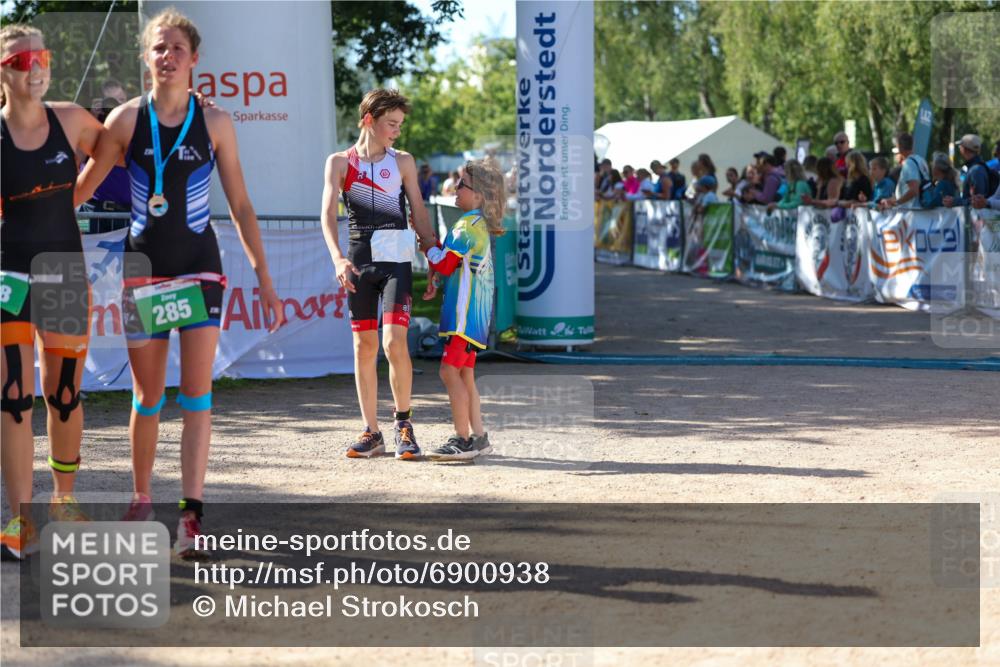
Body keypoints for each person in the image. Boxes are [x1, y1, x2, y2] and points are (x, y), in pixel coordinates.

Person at [76, 8, 285, 559]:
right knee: (147, 397)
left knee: (197, 396)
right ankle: (142, 497)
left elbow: (240, 204)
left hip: (199, 268)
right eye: (158, 49)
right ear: (146, 58)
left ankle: (191, 516)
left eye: (176, 49)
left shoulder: (215, 122)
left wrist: (265, 279)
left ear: (194, 60)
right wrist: (29, 228)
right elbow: (81, 188)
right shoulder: (124, 120)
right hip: (143, 272)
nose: (166, 57)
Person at [1, 24, 108, 559]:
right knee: (13, 397)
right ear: (3, 72)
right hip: (8, 274)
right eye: (22, 61)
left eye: (40, 56)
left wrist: (77, 195)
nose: (35, 67)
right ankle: (21, 522)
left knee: (63, 393)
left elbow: (113, 145)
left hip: (65, 269)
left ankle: (64, 502)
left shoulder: (69, 119)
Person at [319, 88, 438, 461]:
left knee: (393, 342)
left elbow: (418, 211)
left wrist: (433, 254)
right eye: (391, 124)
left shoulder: (402, 161)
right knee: (363, 347)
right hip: (358, 259)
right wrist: (338, 258)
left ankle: (403, 423)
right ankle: (372, 431)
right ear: (369, 119)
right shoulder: (339, 162)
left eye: (400, 125)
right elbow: (325, 215)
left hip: (396, 259)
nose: (397, 132)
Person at [420, 160, 505, 460]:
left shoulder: (466, 225)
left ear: (479, 196)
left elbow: (444, 262)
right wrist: (434, 264)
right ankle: (478, 437)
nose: (456, 187)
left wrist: (425, 245)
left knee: (448, 371)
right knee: (465, 374)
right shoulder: (478, 225)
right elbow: (453, 266)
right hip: (475, 319)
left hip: (463, 318)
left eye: (463, 184)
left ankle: (462, 439)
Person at [879, 132, 929, 211]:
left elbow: (914, 190)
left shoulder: (909, 163)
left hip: (912, 211)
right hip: (918, 209)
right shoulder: (921, 160)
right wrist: (893, 200)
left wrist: (896, 202)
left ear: (899, 147)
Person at [944, 134, 994, 207]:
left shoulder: (976, 170)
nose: (959, 148)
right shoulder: (975, 168)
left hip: (977, 217)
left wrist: (955, 202)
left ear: (964, 149)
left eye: (960, 146)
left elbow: (977, 201)